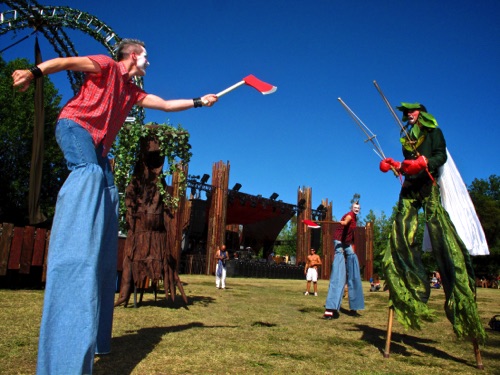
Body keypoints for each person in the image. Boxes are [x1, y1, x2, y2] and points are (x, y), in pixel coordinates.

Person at [12, 39, 218, 375]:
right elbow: (64, 62)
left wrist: (199, 101)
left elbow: (166, 105)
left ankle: (98, 335)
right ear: (133, 56)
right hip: (75, 127)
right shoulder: (105, 66)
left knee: (109, 194)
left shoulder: (131, 92)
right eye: (147, 56)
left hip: (99, 147)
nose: (150, 62)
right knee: (91, 173)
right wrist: (33, 72)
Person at [379, 102, 485, 341]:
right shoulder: (406, 136)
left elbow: (441, 155)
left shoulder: (433, 131)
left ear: (421, 112)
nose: (408, 115)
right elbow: (407, 166)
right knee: (401, 228)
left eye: (411, 111)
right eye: (405, 113)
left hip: (429, 185)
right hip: (410, 187)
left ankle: (457, 294)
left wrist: (425, 162)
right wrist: (396, 166)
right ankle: (412, 285)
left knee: (439, 232)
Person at [323, 201, 365, 319]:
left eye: (358, 208)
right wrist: (345, 222)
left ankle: (355, 305)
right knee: (339, 274)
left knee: (353, 265)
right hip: (339, 242)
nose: (356, 209)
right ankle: (330, 308)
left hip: (346, 244)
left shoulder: (355, 217)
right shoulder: (350, 215)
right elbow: (347, 220)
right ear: (352, 208)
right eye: (355, 207)